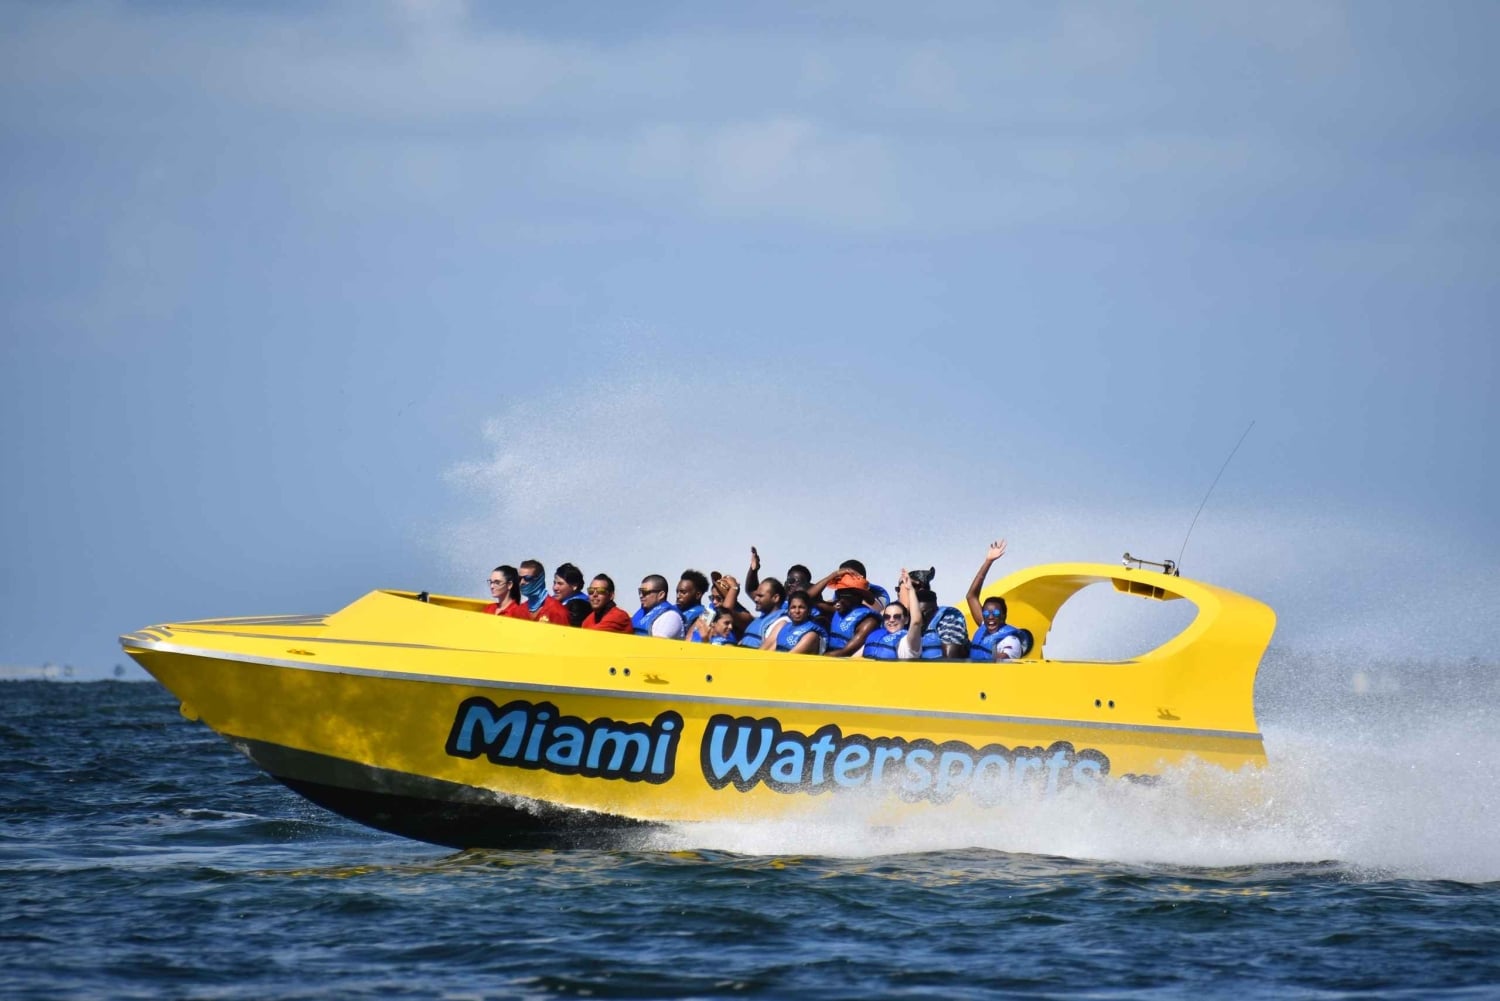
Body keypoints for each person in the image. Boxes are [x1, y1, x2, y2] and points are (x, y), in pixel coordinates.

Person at [964, 539, 1026, 661]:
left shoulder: (1011, 640)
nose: (990, 617)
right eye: (986, 614)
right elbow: (971, 596)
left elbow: (1004, 658)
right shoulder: (984, 626)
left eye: (996, 613)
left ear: (1003, 616)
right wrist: (988, 561)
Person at [865, 569, 925, 659]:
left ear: (906, 620)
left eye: (897, 616)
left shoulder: (908, 643)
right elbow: (853, 659)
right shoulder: (876, 637)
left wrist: (911, 589)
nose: (891, 620)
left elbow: (916, 621)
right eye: (887, 617)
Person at [904, 582, 971, 659]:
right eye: (914, 614)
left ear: (933, 610)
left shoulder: (949, 618)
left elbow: (950, 660)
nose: (917, 617)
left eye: (921, 613)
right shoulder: (910, 621)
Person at [726, 576, 787, 648]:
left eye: (760, 596)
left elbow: (764, 652)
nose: (755, 599)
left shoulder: (781, 622)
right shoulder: (758, 620)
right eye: (756, 595)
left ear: (775, 598)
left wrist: (734, 588)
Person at [824, 577, 878, 657]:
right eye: (837, 594)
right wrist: (835, 574)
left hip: (847, 664)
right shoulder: (839, 610)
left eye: (843, 595)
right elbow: (809, 599)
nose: (837, 599)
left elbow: (845, 652)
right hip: (828, 657)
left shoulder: (869, 622)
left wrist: (817, 660)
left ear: (857, 597)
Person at [762, 590, 827, 654]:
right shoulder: (784, 627)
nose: (797, 611)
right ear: (789, 610)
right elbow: (770, 653)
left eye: (801, 607)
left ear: (809, 610)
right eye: (793, 607)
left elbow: (789, 658)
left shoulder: (811, 635)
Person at [519, 559, 571, 626]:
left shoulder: (557, 611)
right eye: (519, 578)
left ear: (540, 579)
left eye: (527, 578)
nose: (522, 582)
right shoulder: (519, 610)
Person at [633, 574, 686, 638]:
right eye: (640, 592)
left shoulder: (670, 616)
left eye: (645, 592)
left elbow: (657, 645)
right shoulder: (642, 612)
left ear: (661, 595)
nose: (641, 596)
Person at [553, 562, 591, 627]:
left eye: (560, 584)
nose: (555, 588)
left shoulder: (579, 606)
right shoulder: (553, 601)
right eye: (554, 583)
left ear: (574, 586)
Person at [675, 570, 711, 638]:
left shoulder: (706, 615)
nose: (678, 596)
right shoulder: (671, 610)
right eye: (677, 592)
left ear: (698, 595)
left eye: (683, 592)